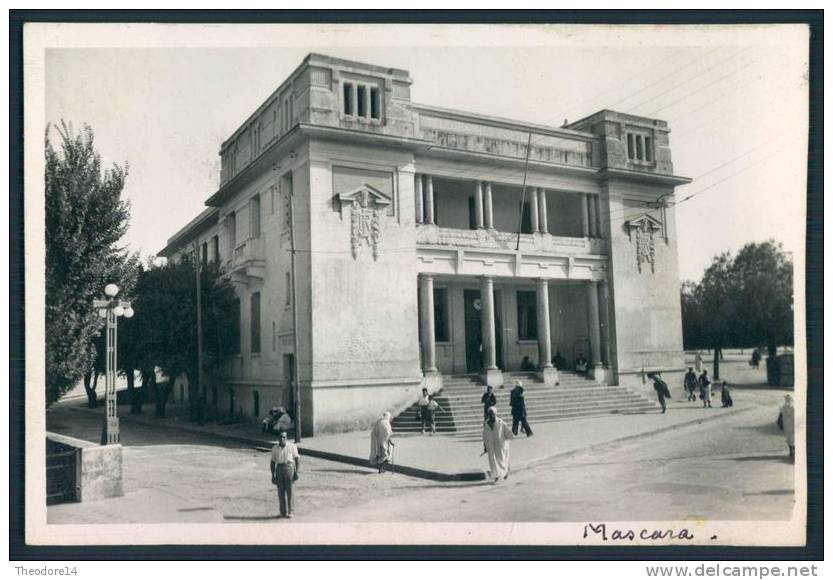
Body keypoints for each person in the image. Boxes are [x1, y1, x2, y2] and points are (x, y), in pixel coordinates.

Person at [269, 430, 300, 518]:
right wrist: (273, 475)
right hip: (279, 469)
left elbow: (297, 459)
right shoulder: (275, 448)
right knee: (280, 492)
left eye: (284, 437)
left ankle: (291, 511)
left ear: (286, 438)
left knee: (290, 491)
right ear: (278, 438)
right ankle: (282, 512)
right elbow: (272, 462)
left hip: (289, 468)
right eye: (280, 437)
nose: (282, 439)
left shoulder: (292, 446)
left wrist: (296, 472)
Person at [482, 406, 515, 483]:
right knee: (493, 461)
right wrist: (485, 445)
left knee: (502, 460)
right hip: (491, 445)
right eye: (489, 414)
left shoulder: (500, 422)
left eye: (492, 414)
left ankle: (505, 471)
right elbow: (484, 435)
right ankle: (496, 476)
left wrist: (512, 436)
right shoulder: (486, 423)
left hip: (500, 445)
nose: (491, 416)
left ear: (495, 414)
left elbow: (507, 431)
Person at [777, 394, 795, 459]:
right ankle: (792, 452)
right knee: (792, 439)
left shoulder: (783, 408)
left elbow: (779, 418)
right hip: (791, 426)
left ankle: (792, 452)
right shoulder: (794, 408)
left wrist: (780, 425)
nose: (787, 400)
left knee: (790, 439)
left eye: (787, 399)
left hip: (789, 426)